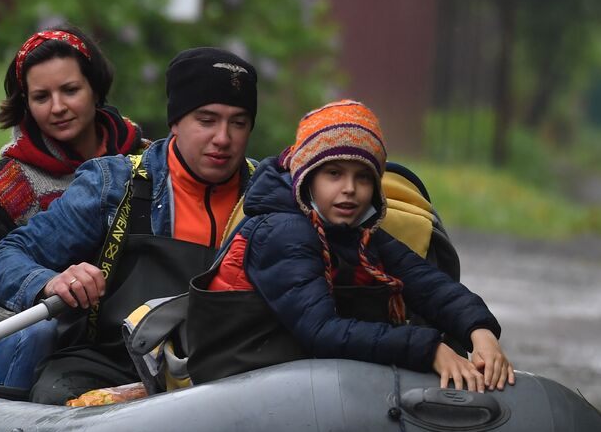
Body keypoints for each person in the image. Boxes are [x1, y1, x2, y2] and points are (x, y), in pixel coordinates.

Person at [0, 46, 260, 404]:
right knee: (54, 395)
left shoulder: (268, 195)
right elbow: (3, 258)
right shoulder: (113, 184)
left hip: (222, 370)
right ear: (175, 121)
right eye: (206, 120)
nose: (223, 138)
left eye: (238, 123)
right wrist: (51, 282)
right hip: (108, 364)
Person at [186, 99, 515, 391]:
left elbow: (427, 283)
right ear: (307, 179)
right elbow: (320, 332)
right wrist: (428, 348)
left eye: (363, 177)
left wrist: (480, 330)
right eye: (334, 173)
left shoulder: (355, 230)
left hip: (299, 376)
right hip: (236, 378)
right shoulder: (283, 230)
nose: (350, 189)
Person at [0, 26, 146, 391]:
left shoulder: (144, 160)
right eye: (41, 97)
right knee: (37, 332)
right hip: (32, 334)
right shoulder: (9, 183)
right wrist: (43, 288)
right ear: (26, 105)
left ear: (95, 88)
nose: (58, 107)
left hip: (126, 330)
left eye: (70, 90)